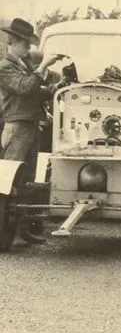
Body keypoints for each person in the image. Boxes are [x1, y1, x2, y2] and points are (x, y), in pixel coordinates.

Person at [0, 18, 66, 243]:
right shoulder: (5, 66)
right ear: (14, 42)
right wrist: (43, 67)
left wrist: (57, 86)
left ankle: (21, 230)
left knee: (26, 181)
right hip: (18, 127)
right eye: (25, 44)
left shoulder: (22, 64)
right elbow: (24, 88)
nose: (28, 48)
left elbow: (36, 91)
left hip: (30, 126)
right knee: (9, 181)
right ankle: (6, 233)